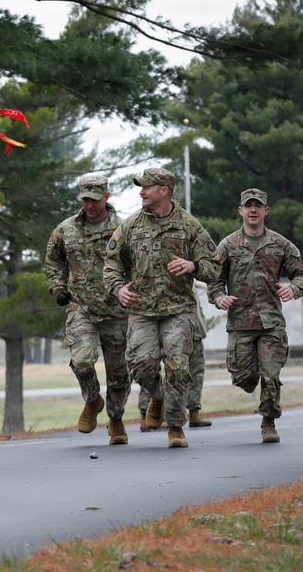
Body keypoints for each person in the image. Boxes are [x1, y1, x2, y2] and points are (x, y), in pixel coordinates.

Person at [102, 167, 221, 449]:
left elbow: (215, 266)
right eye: (141, 187)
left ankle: (176, 427)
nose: (141, 192)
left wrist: (193, 265)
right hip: (142, 311)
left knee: (178, 367)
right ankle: (158, 395)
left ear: (164, 191)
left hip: (178, 310)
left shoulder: (189, 225)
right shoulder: (130, 226)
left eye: (146, 187)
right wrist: (118, 288)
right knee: (141, 367)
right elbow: (110, 264)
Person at [208, 188, 303, 443]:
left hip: (271, 322)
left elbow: (302, 275)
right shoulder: (228, 245)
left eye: (258, 206)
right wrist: (220, 298)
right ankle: (248, 379)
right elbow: (214, 280)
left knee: (271, 375)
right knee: (244, 378)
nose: (253, 210)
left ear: (266, 211)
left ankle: (269, 423)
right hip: (241, 323)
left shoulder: (281, 244)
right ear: (241, 211)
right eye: (248, 206)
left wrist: (293, 289)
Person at [45, 172, 131, 445]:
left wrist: (133, 291)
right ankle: (93, 400)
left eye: (95, 199)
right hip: (80, 307)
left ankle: (116, 420)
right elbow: (53, 261)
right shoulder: (65, 229)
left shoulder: (124, 228)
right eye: (85, 199)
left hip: (117, 310)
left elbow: (139, 264)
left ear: (106, 196)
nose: (90, 205)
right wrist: (58, 287)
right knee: (81, 361)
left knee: (118, 373)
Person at [137, 297, 211, 431]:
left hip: (193, 329)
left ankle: (194, 412)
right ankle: (146, 413)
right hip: (167, 326)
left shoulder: (189, 279)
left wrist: (201, 328)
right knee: (151, 368)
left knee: (194, 372)